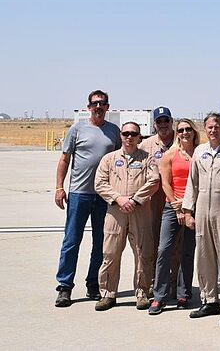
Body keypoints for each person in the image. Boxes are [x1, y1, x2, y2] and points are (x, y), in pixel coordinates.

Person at [54, 90, 121, 307]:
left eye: (102, 103)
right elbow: (65, 160)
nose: (99, 107)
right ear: (88, 107)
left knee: (100, 243)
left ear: (108, 107)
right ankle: (64, 286)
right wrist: (59, 187)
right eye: (95, 103)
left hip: (104, 196)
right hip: (79, 194)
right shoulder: (77, 129)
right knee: (72, 241)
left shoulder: (114, 132)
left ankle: (93, 283)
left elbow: (121, 160)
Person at [93, 121, 160, 311]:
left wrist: (135, 199)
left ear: (140, 137)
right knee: (110, 254)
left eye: (133, 134)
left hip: (140, 211)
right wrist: (119, 199)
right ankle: (108, 293)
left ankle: (142, 292)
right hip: (116, 213)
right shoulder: (109, 159)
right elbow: (100, 183)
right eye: (125, 133)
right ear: (120, 136)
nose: (129, 137)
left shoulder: (148, 159)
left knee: (143, 254)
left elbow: (153, 181)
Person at [183, 113, 220, 324]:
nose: (212, 130)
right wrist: (188, 211)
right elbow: (192, 183)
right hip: (202, 209)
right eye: (209, 127)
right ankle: (209, 300)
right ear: (204, 129)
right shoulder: (200, 151)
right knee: (204, 256)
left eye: (217, 126)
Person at [149, 118, 199, 315]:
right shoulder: (169, 155)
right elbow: (165, 183)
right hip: (173, 207)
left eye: (188, 129)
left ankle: (183, 293)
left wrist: (188, 207)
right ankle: (159, 296)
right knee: (164, 250)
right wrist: (177, 207)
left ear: (194, 132)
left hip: (194, 207)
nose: (185, 133)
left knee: (188, 251)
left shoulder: (200, 153)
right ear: (177, 133)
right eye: (181, 130)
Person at [140, 106, 175, 294]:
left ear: (172, 121)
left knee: (177, 245)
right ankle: (155, 281)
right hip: (154, 202)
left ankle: (175, 282)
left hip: (177, 200)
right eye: (159, 121)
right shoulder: (146, 145)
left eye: (166, 120)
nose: (163, 125)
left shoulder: (182, 139)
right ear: (154, 124)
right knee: (154, 243)